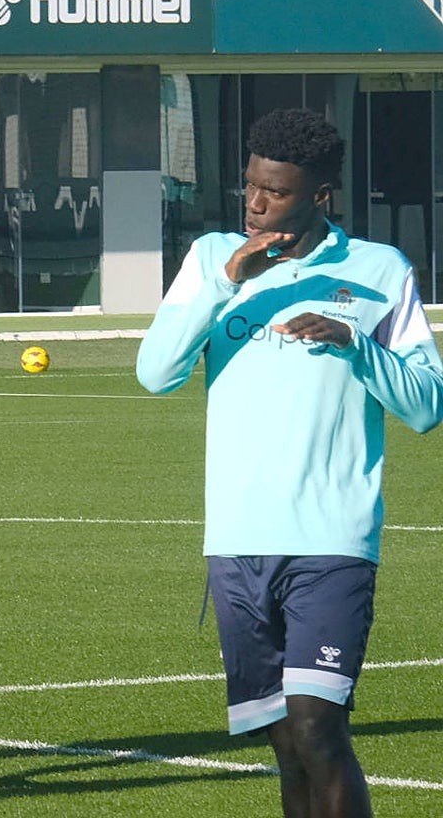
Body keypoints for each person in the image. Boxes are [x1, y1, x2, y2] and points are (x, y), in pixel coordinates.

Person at [136, 108, 443, 818]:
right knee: (284, 741)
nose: (255, 203)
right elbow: (155, 373)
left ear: (320, 195)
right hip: (237, 541)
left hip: (332, 540)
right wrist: (225, 282)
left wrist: (354, 344)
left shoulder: (378, 270)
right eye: (249, 185)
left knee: (316, 727)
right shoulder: (212, 258)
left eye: (275, 192)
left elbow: (428, 404)